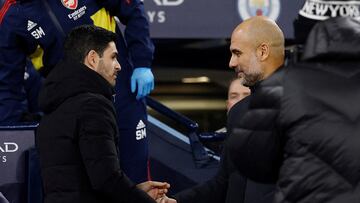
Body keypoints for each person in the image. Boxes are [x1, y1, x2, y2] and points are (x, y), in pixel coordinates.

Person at [0, 0, 154, 183]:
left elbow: (133, 8)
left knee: (136, 175)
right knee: (90, 180)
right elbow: (8, 84)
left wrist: (142, 62)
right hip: (72, 102)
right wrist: (10, 135)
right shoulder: (13, 14)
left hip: (121, 88)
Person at [35, 25, 176, 203]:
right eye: (113, 57)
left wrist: (136, 191)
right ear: (93, 58)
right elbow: (106, 180)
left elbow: (76, 182)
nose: (119, 66)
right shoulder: (93, 105)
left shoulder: (54, 106)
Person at [226, 16, 360, 202]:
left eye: (237, 53)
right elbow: (226, 183)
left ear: (263, 51)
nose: (231, 63)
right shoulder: (238, 112)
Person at [173, 72, 274, 203]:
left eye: (246, 96)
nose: (240, 102)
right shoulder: (213, 142)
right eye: (234, 96)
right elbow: (223, 182)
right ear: (227, 104)